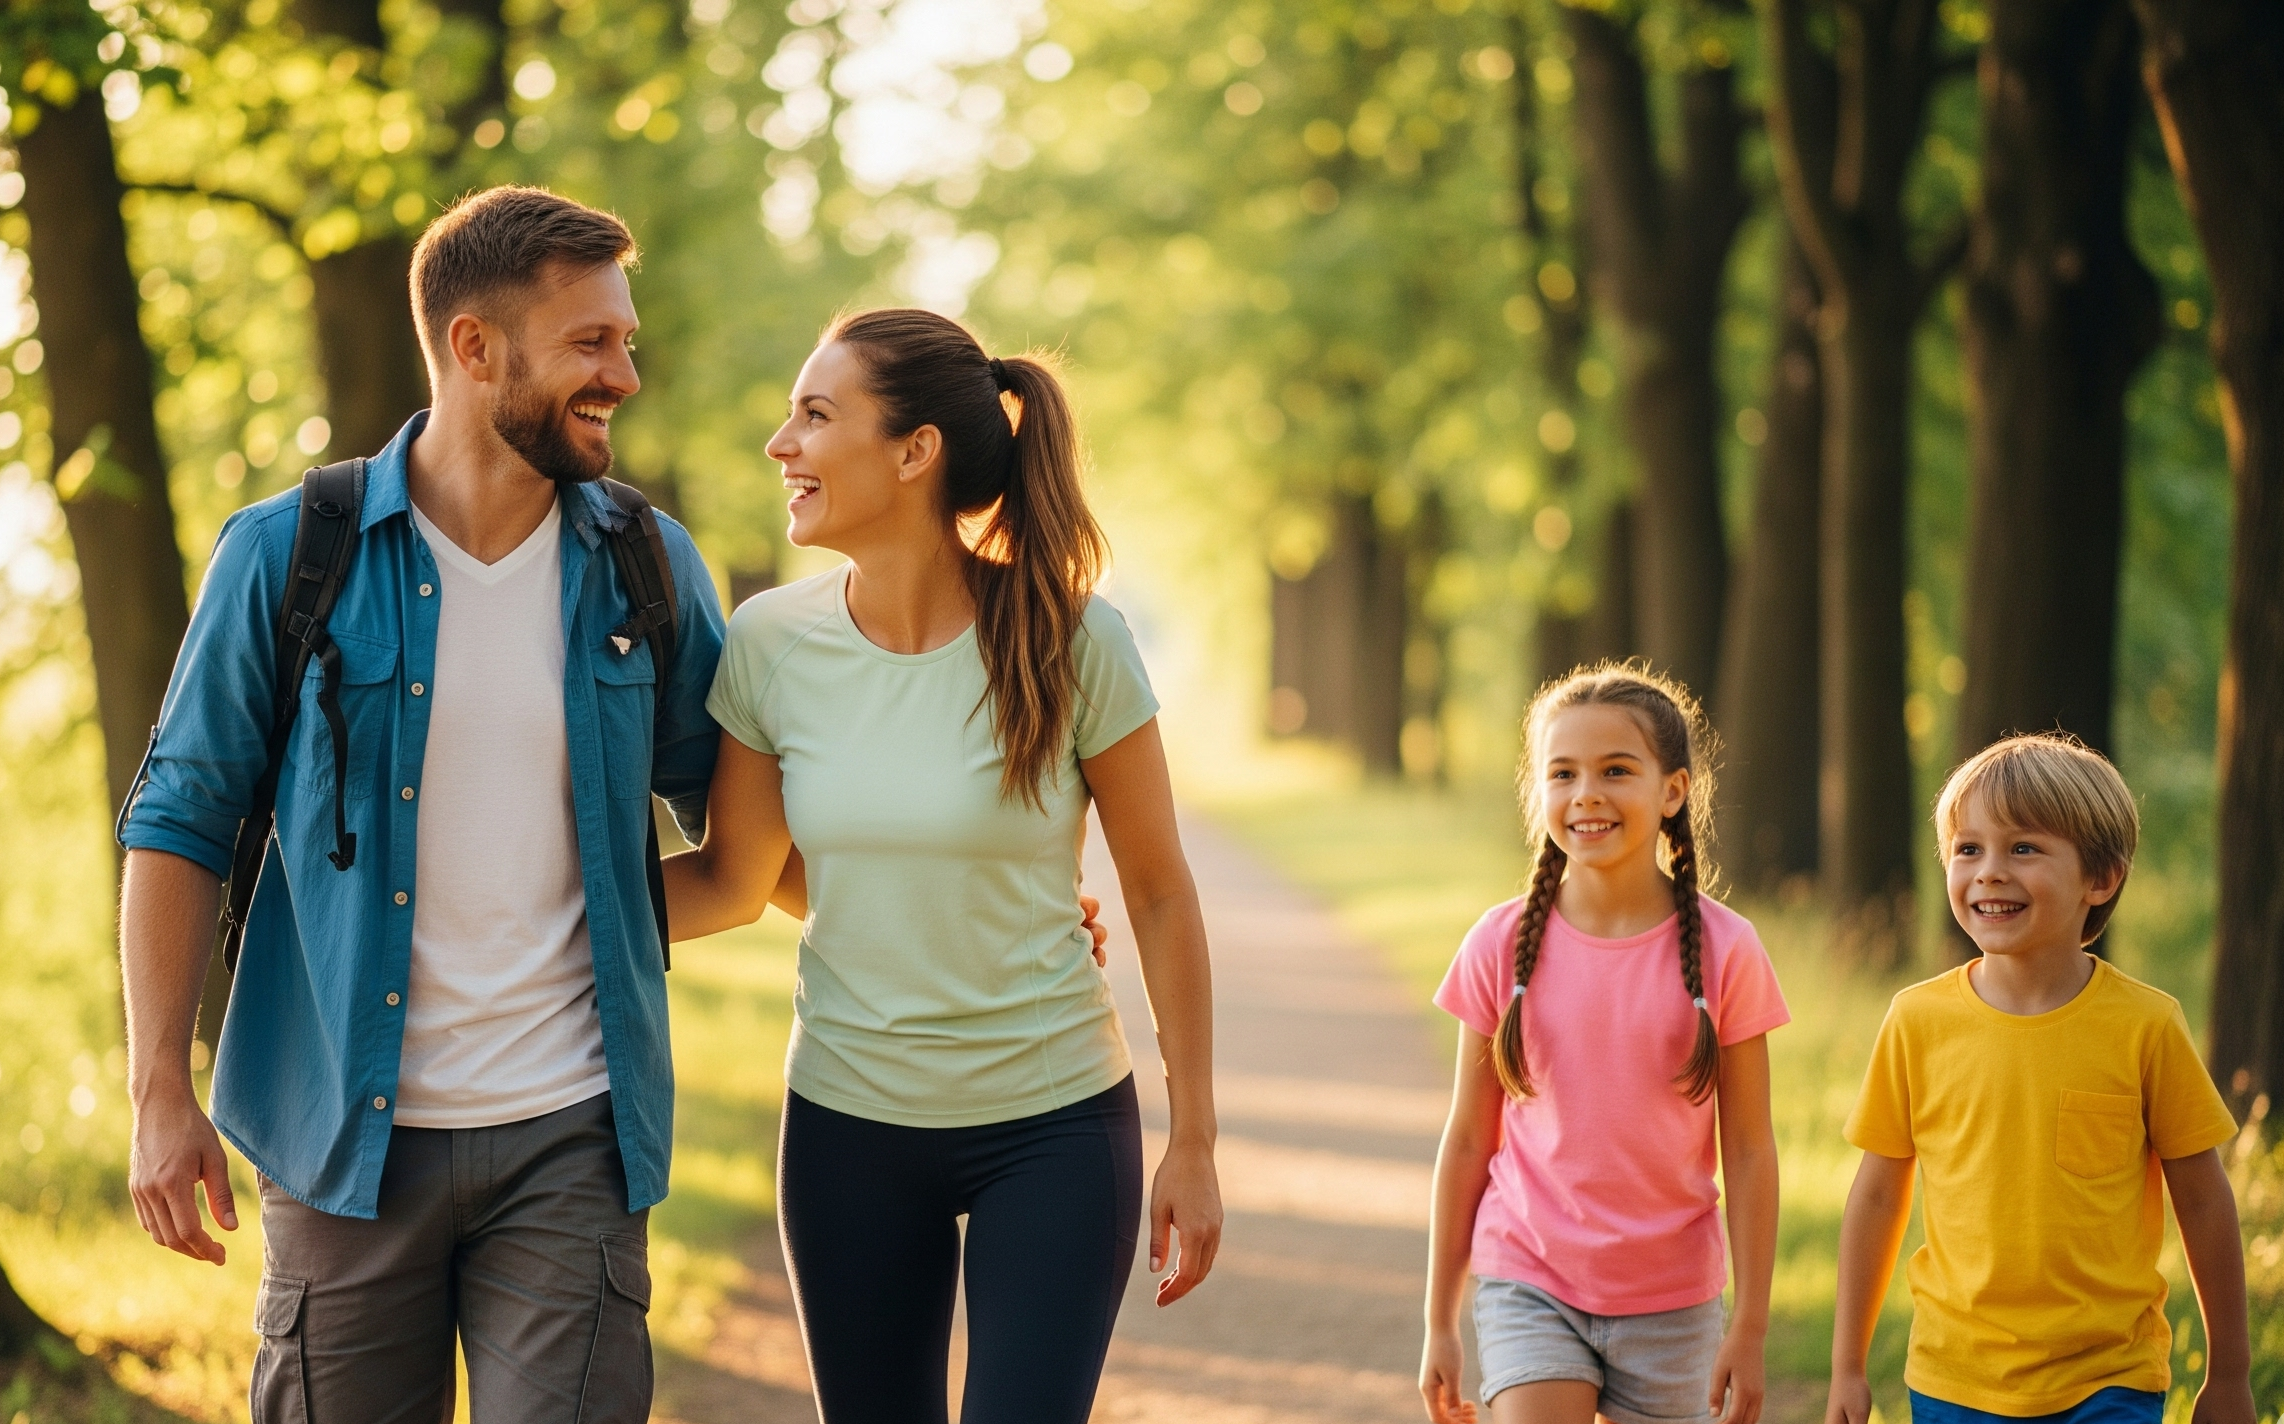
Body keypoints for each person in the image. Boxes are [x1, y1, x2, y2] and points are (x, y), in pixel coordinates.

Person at [115, 187, 724, 1422]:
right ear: (474, 346)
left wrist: (996, 894)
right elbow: (178, 818)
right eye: (592, 344)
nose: (625, 374)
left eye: (628, 340)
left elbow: (755, 822)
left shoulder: (646, 565)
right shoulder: (289, 553)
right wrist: (157, 1090)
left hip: (575, 1137)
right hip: (340, 1136)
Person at [661, 308, 1222, 1424]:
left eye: (815, 415)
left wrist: (1195, 1139)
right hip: (847, 1126)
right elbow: (736, 878)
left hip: (1054, 1124)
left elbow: (1158, 893)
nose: (782, 444)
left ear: (915, 450)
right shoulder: (770, 643)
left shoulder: (1072, 639)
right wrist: (521, 906)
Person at [1826, 734, 2252, 1424]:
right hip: (1954, 1378)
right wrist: (1847, 1367)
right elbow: (1877, 1198)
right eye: (1968, 849)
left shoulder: (2147, 1026)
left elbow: (2203, 1201)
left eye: (2023, 848)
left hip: (2108, 1379)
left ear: (2101, 878)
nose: (1989, 871)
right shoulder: (1917, 1021)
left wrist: (2229, 1374)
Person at [1420, 664, 1786, 1424]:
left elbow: (1750, 1148)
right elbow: (1466, 1141)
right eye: (1563, 773)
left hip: (1674, 1299)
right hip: (1529, 1274)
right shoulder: (1498, 943)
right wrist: (1439, 1321)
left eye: (1616, 770)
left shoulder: (1729, 949)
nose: (1586, 792)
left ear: (1673, 790)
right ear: (1539, 794)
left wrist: (1749, 1328)